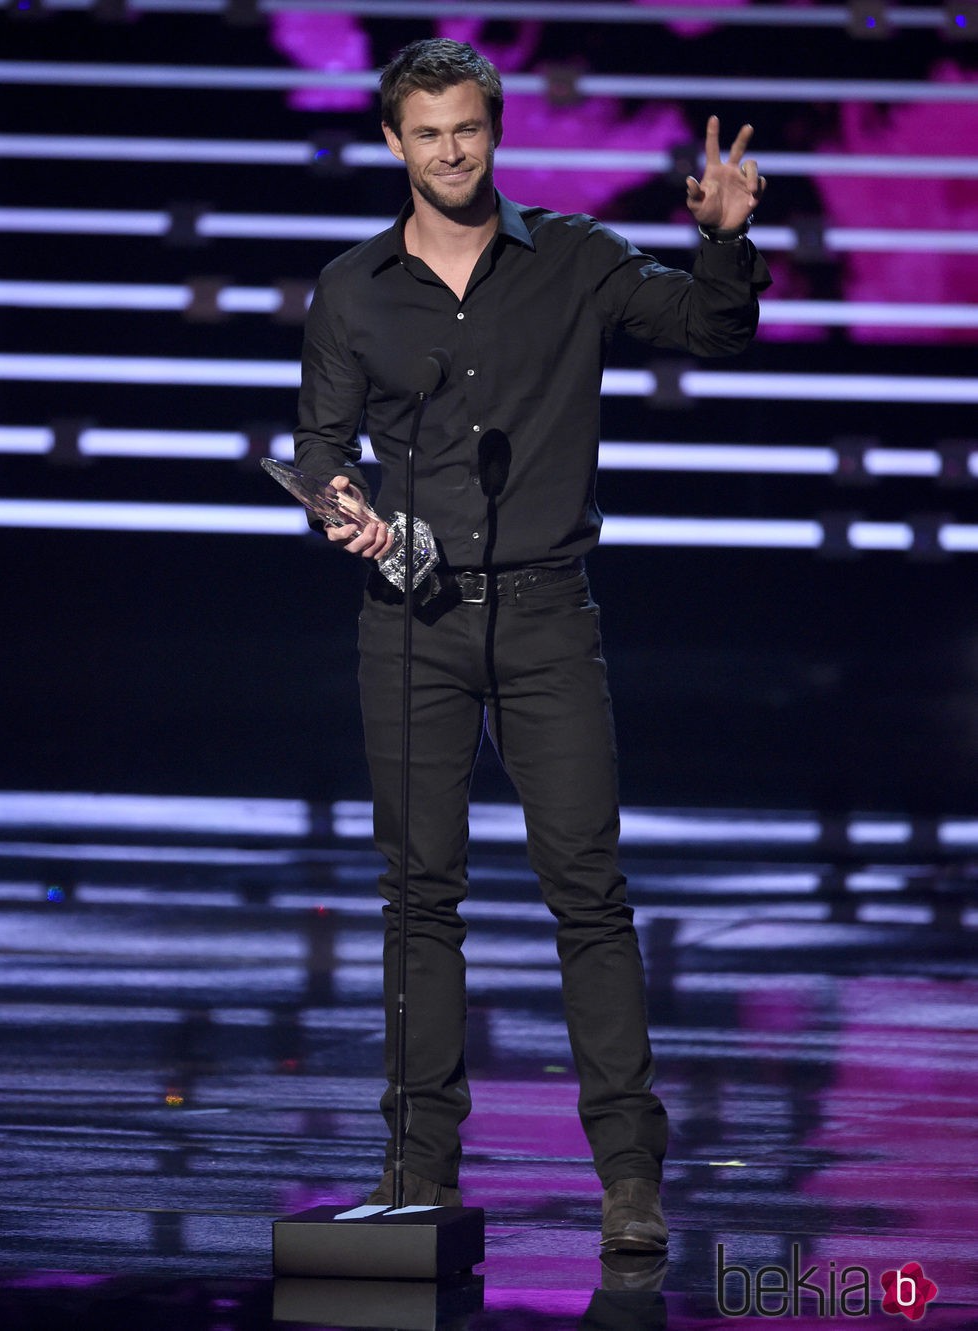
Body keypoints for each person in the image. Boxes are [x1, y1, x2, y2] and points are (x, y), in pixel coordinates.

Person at [294, 37, 769, 1250]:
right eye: (428, 132)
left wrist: (720, 239)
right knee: (419, 898)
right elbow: (320, 447)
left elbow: (712, 331)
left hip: (548, 613)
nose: (451, 151)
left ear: (492, 133)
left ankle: (626, 1175)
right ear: (392, 143)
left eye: (469, 128)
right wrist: (337, 504)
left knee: (587, 895)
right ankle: (419, 1168)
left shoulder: (574, 259)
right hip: (411, 617)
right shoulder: (350, 290)